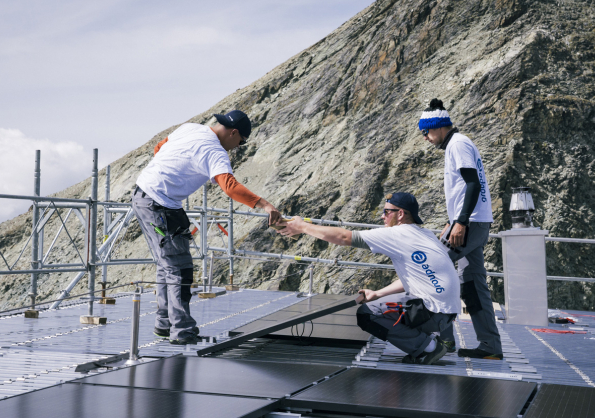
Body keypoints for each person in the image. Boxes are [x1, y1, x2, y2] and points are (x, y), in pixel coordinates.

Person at [132, 110, 282, 345]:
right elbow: (230, 187)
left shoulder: (191, 127)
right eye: (240, 142)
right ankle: (182, 332)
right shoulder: (215, 152)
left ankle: (164, 324)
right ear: (233, 133)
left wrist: (172, 173)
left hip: (145, 195)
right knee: (179, 269)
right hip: (159, 205)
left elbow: (160, 147)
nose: (237, 147)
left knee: (167, 264)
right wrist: (264, 204)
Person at [279, 193, 460, 365]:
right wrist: (378, 293)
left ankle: (429, 348)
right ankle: (427, 342)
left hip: (432, 312)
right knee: (380, 305)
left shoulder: (398, 234)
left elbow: (343, 237)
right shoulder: (423, 233)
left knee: (368, 314)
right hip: (444, 314)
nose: (382, 216)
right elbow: (417, 279)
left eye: (387, 212)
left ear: (401, 214)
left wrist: (302, 226)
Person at [419, 99, 503, 359]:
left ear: (438, 126)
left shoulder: (458, 144)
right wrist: (454, 218)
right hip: (471, 221)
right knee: (473, 285)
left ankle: (445, 341)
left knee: (432, 267)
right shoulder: (456, 145)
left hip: (471, 223)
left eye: (426, 131)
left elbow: (473, 184)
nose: (425, 137)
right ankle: (490, 346)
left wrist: (461, 222)